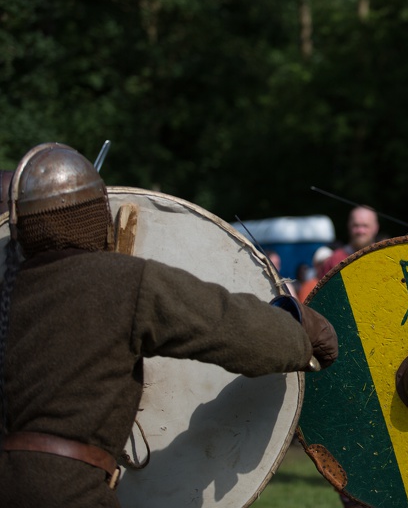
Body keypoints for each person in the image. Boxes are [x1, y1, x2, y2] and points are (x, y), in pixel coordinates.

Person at [0, 143, 338, 507]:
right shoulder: (121, 283)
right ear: (96, 213)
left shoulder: (10, 289)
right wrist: (299, 333)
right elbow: (228, 325)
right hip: (68, 492)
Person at [318, 206, 379, 277]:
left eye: (365, 226)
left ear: (375, 227)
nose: (360, 231)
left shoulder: (385, 258)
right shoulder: (334, 261)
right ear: (349, 226)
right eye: (356, 225)